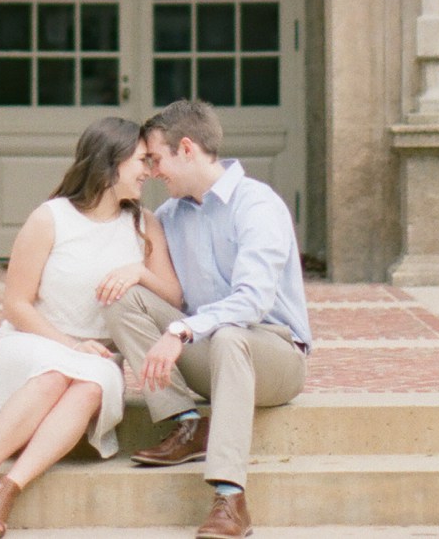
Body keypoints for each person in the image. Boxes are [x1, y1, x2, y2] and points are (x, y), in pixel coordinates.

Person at [0, 117, 184, 539]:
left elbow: (173, 298)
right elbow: (16, 305)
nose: (149, 170)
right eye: (141, 160)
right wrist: (70, 345)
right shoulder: (50, 218)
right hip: (33, 341)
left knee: (91, 384)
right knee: (57, 374)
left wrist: (137, 272)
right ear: (111, 162)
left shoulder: (145, 224)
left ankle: (8, 490)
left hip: (98, 357)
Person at [108, 100, 312, 539]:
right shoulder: (170, 216)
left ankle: (230, 497)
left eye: (157, 159)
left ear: (186, 149)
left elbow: (252, 301)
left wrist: (182, 328)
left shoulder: (257, 205)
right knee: (125, 299)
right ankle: (187, 424)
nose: (154, 172)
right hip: (210, 355)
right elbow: (169, 295)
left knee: (230, 336)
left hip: (274, 357)